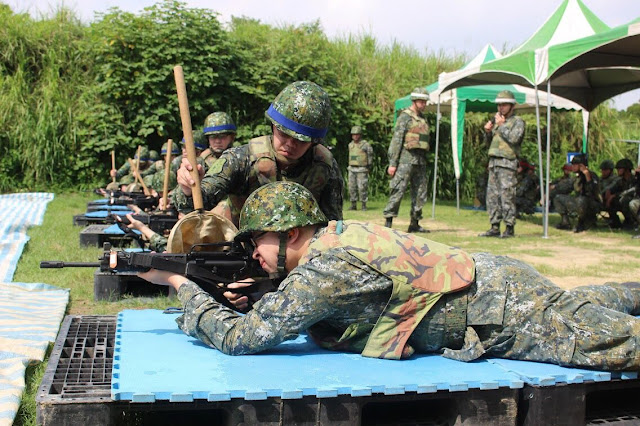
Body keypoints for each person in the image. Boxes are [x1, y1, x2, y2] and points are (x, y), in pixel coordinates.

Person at [140, 181, 640, 371]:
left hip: (502, 311)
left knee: (620, 345)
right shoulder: (333, 240)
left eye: (257, 242)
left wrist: (183, 288)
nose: (253, 253)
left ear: (291, 233)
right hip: (496, 287)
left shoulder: (324, 271)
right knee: (590, 304)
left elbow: (242, 339)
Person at [172, 81, 344, 226]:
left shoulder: (325, 165)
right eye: (284, 134)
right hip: (243, 248)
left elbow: (333, 224)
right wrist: (188, 189)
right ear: (273, 126)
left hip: (301, 251)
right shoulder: (241, 159)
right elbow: (195, 204)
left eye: (301, 140)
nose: (290, 144)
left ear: (315, 140)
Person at [383, 87, 430, 233]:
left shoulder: (423, 119)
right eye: (421, 101)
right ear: (414, 101)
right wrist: (393, 163)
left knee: (420, 193)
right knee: (397, 190)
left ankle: (414, 223)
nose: (424, 104)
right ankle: (388, 222)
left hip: (420, 161)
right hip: (405, 161)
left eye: (425, 101)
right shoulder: (405, 117)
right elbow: (396, 141)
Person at [478, 90, 525, 238]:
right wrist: (487, 132)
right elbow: (489, 144)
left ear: (512, 106)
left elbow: (515, 139)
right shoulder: (498, 122)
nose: (501, 108)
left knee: (507, 195)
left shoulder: (517, 122)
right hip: (494, 163)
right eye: (499, 105)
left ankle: (509, 227)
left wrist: (502, 125)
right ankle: (494, 226)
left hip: (507, 163)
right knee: (492, 196)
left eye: (504, 105)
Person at [554, 154, 602, 232]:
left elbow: (592, 191)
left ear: (581, 166)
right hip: (580, 202)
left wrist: (587, 176)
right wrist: (554, 187)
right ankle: (565, 222)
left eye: (574, 165)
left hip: (592, 204)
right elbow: (566, 187)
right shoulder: (578, 178)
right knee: (558, 198)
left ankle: (583, 222)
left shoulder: (592, 175)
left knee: (581, 200)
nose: (572, 167)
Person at [347, 125, 374, 211]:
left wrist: (369, 166)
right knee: (351, 187)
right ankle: (353, 204)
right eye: (353, 134)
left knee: (362, 187)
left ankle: (363, 205)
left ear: (360, 135)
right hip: (351, 169)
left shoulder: (365, 145)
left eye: (357, 134)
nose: (355, 136)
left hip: (362, 169)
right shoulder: (350, 145)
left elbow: (370, 156)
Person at [604, 158, 635, 229]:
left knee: (625, 200)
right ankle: (615, 221)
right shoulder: (620, 181)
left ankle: (629, 221)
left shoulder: (634, 179)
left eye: (620, 168)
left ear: (626, 169)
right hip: (622, 199)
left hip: (633, 201)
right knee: (610, 200)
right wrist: (608, 192)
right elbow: (614, 189)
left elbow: (632, 192)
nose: (618, 170)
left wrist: (614, 195)